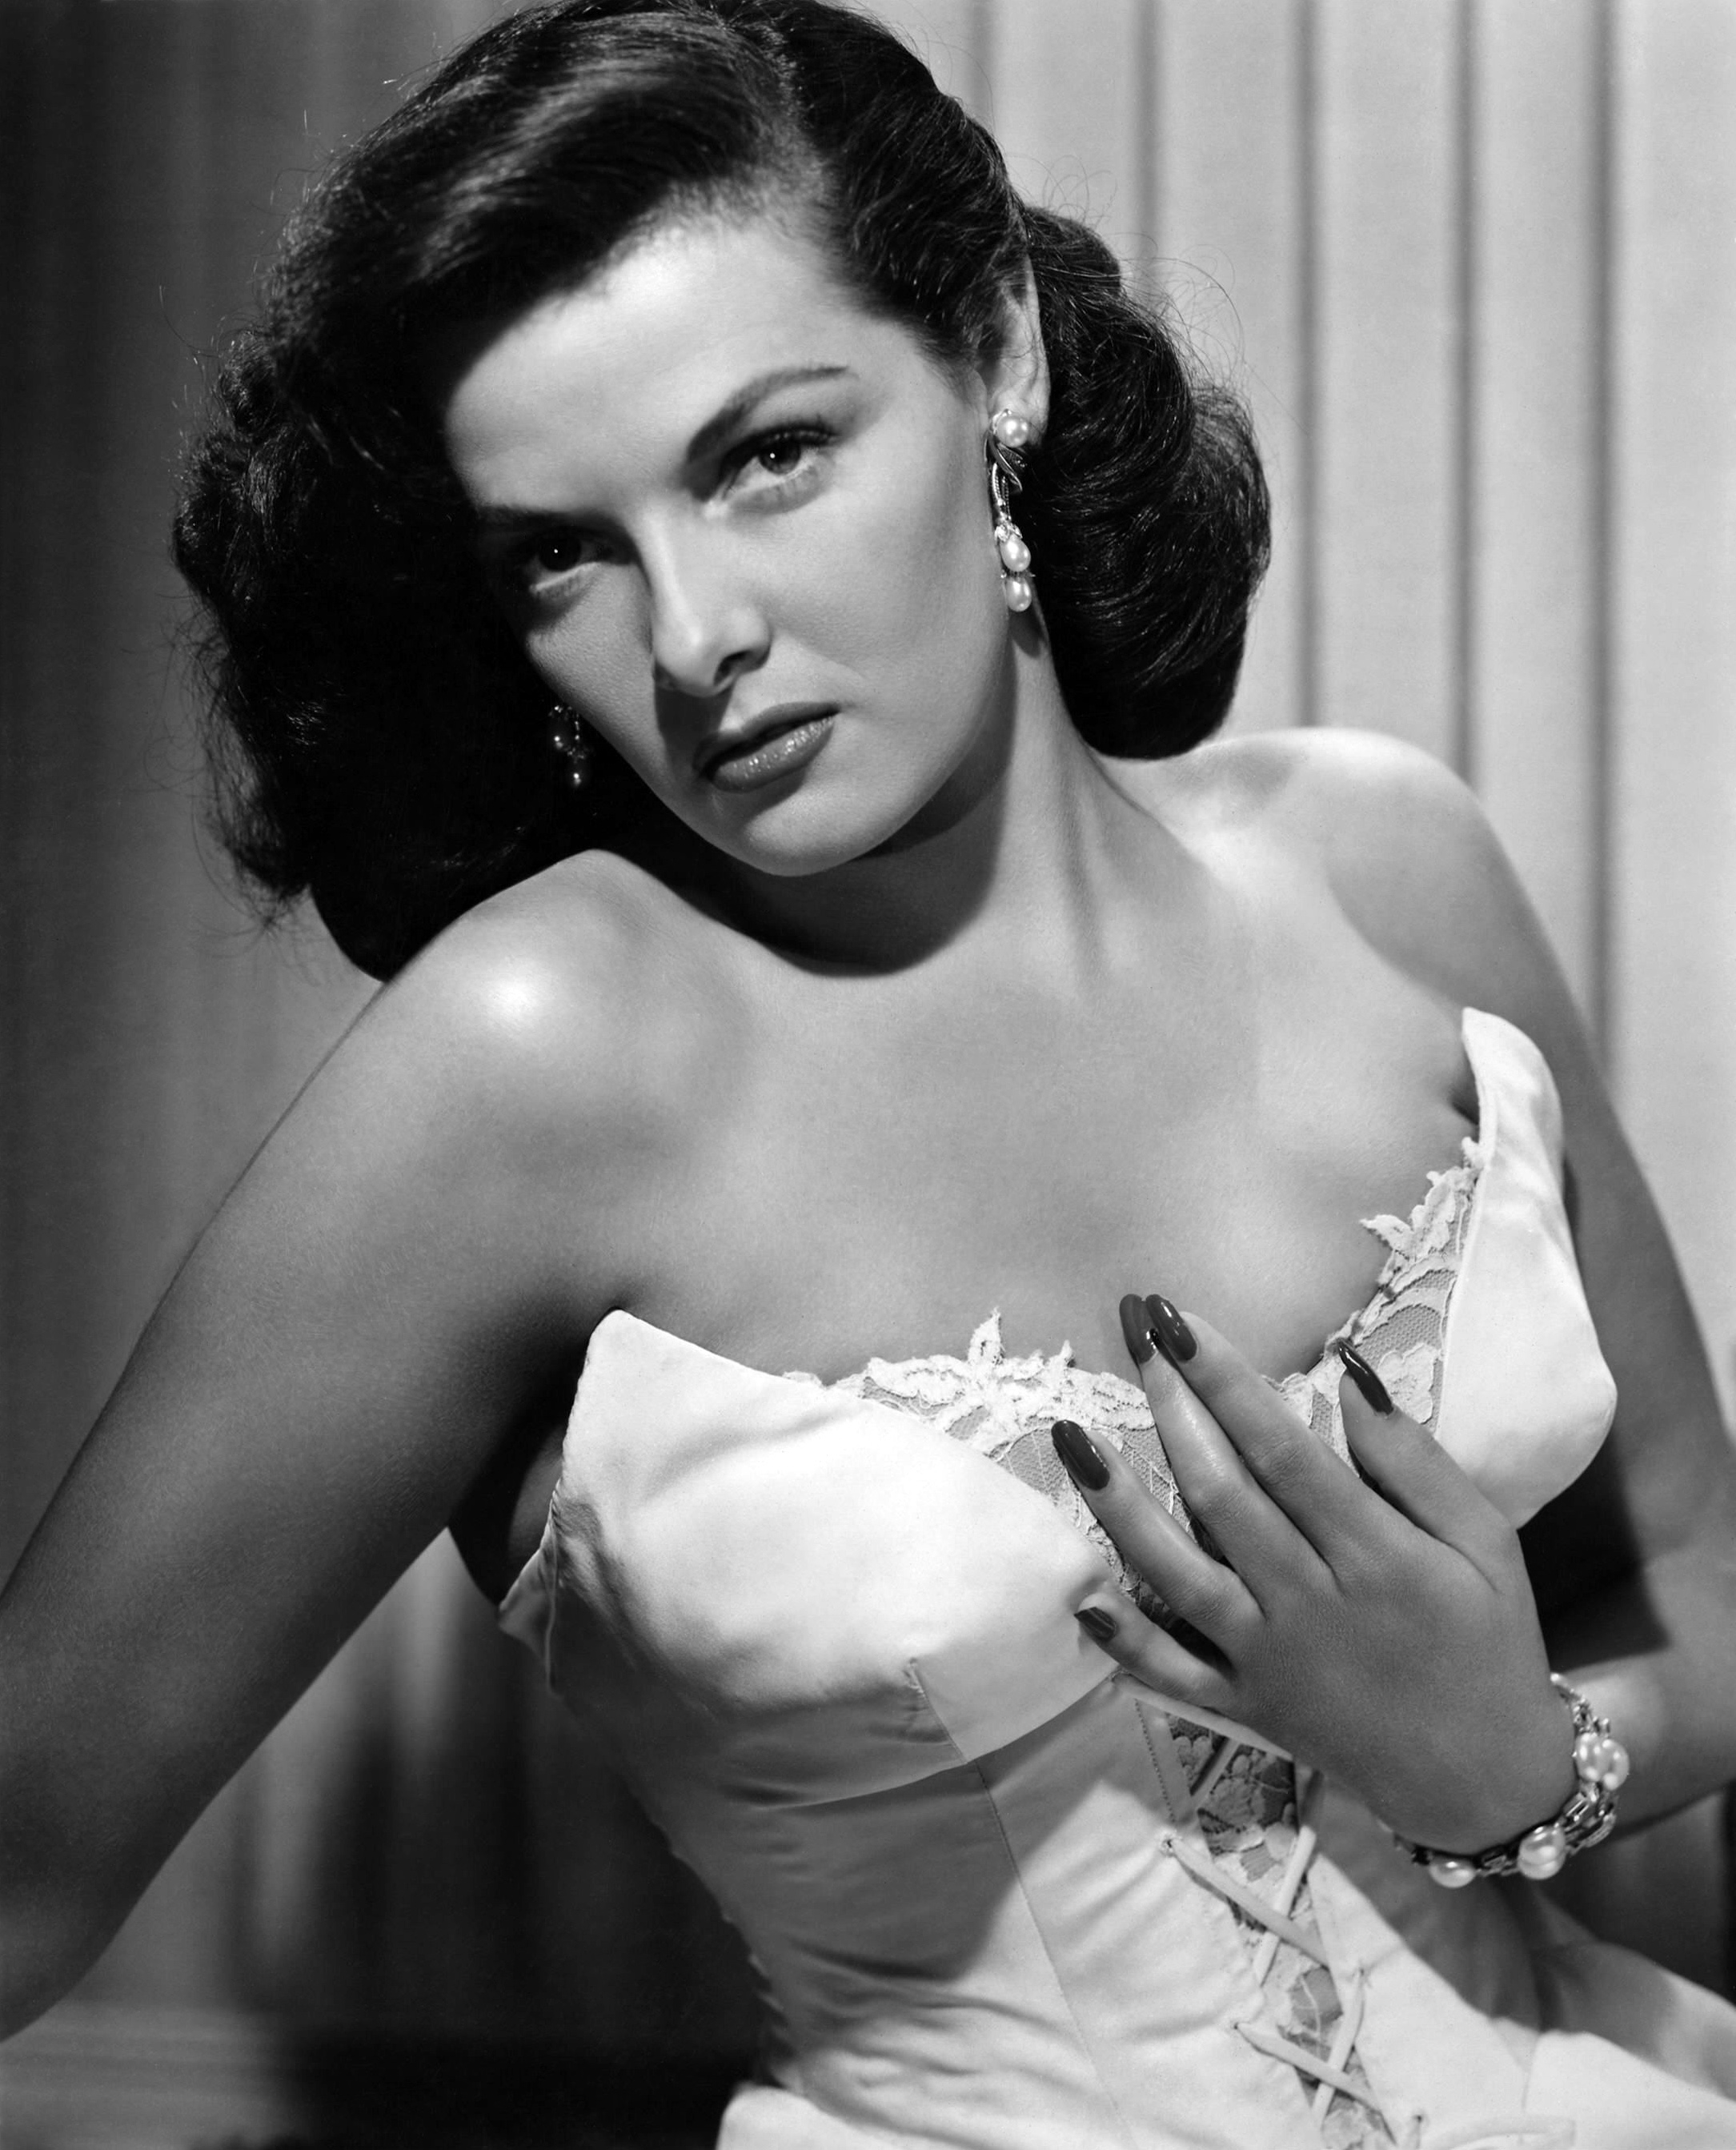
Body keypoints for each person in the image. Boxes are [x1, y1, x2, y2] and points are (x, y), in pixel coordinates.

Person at [3, 2, 1735, 2142]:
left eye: (766, 456)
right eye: (559, 551)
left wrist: (1516, 1763)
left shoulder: (1390, 861)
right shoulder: (533, 1056)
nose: (691, 637)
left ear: (995, 353)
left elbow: (1701, 1595)